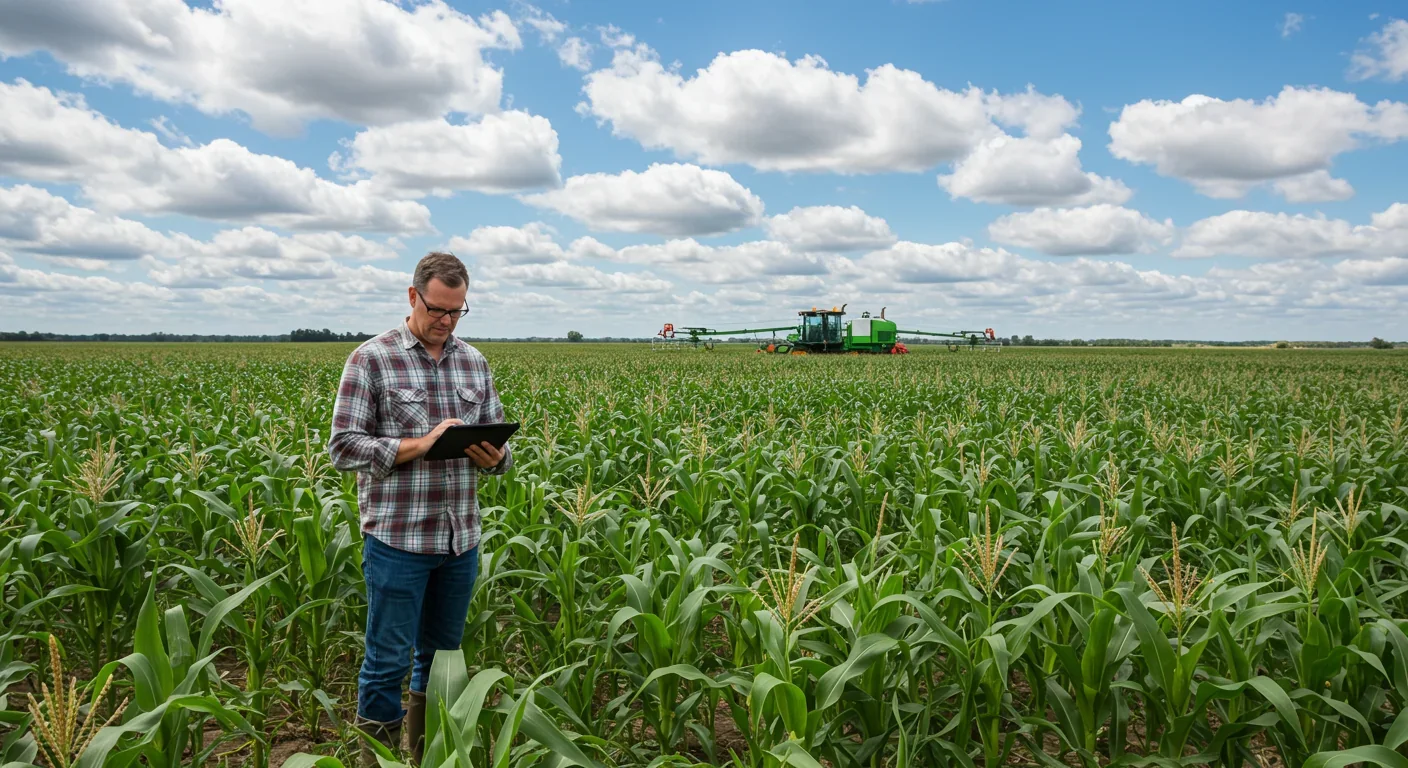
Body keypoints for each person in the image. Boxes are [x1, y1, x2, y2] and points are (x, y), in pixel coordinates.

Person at [327, 252, 512, 766]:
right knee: (386, 663)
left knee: (441, 664)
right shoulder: (372, 359)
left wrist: (494, 455)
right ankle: (377, 760)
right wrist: (421, 444)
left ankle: (429, 756)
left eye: (457, 312)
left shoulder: (474, 362)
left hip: (460, 541)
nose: (446, 322)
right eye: (437, 310)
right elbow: (343, 447)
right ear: (413, 297)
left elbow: (501, 456)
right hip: (398, 542)